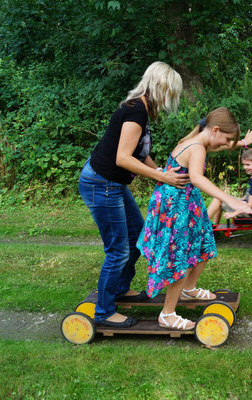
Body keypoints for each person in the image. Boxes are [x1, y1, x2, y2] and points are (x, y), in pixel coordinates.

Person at [78, 61, 190, 328]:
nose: (171, 100)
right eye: (171, 94)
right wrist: (161, 177)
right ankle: (104, 312)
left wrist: (158, 170)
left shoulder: (141, 110)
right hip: (101, 184)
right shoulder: (136, 111)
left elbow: (140, 152)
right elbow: (123, 158)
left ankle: (118, 290)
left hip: (111, 185)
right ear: (161, 88)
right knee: (118, 250)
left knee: (137, 237)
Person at [136, 107, 252, 331]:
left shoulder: (195, 140)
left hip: (183, 203)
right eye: (227, 139)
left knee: (203, 242)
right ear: (215, 130)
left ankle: (188, 288)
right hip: (176, 208)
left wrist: (242, 144)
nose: (226, 144)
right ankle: (167, 314)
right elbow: (197, 178)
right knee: (179, 256)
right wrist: (229, 199)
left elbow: (216, 149)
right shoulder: (197, 148)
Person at [207, 148, 252, 225]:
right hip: (245, 205)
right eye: (244, 164)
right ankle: (214, 225)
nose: (245, 167)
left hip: (249, 212)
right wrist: (236, 199)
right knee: (221, 196)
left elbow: (250, 206)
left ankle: (203, 225)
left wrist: (233, 214)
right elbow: (248, 196)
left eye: (248, 165)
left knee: (218, 199)